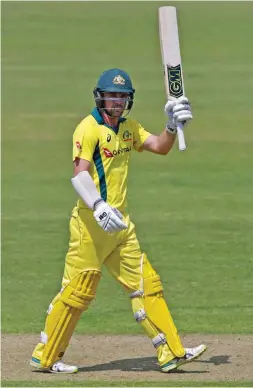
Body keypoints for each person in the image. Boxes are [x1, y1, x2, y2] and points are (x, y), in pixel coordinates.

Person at [30, 68, 207, 374]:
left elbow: (160, 147)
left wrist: (171, 125)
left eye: (122, 96)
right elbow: (80, 173)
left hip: (121, 227)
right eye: (112, 96)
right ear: (101, 97)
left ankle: (171, 352)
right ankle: (45, 357)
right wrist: (98, 205)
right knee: (78, 291)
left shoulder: (129, 128)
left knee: (147, 284)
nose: (116, 102)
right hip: (90, 226)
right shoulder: (88, 128)